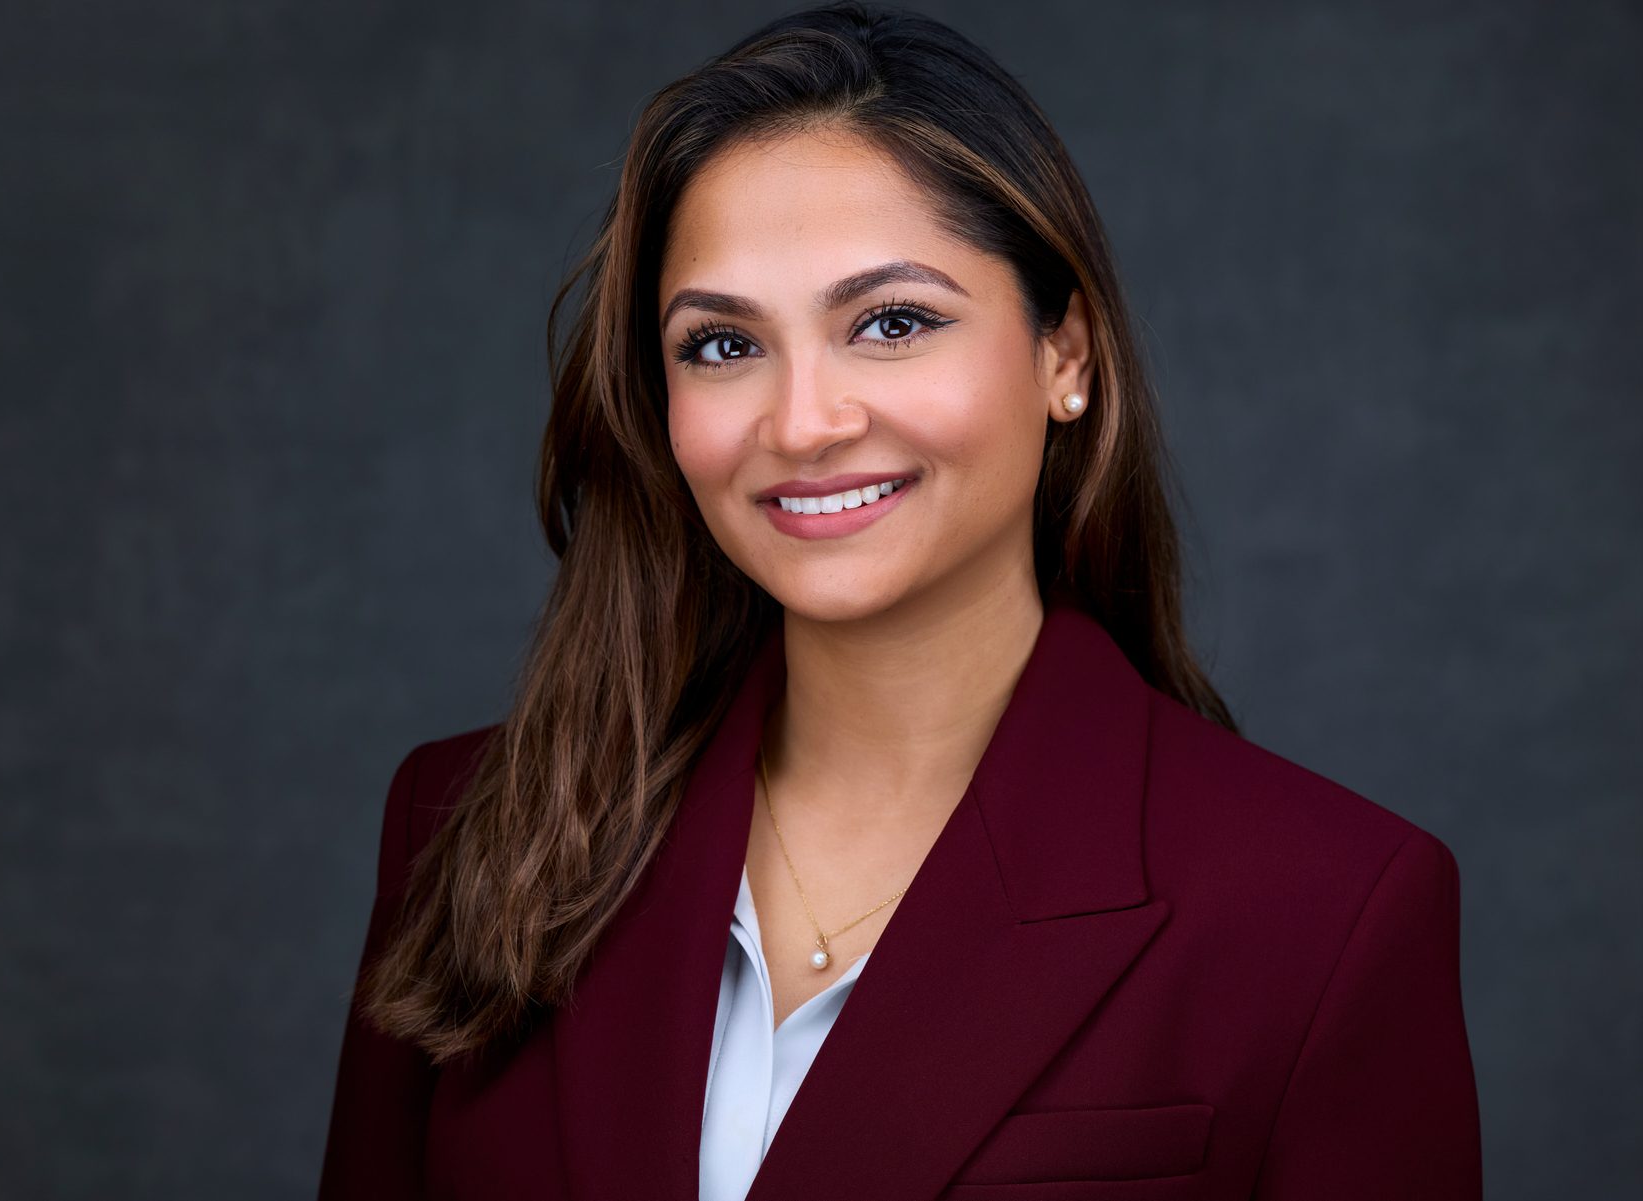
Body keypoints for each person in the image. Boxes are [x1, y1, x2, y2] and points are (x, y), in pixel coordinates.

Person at [316, 4, 1482, 1199]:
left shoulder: (1325, 909)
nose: (802, 423)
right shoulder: (468, 830)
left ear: (1064, 355)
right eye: (723, 345)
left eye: (892, 322)